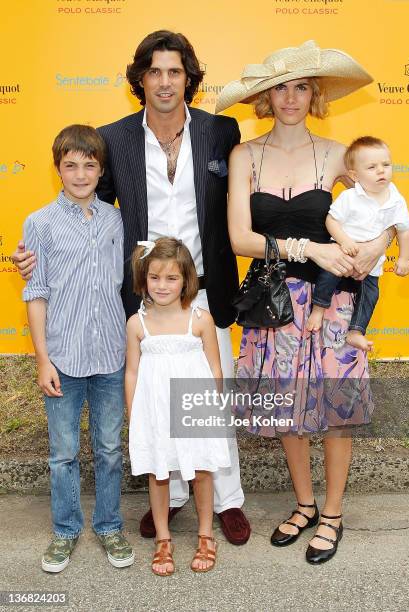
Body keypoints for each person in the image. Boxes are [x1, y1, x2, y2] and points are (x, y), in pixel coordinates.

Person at [13, 30, 250, 545]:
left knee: (209, 398)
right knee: (157, 402)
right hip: (146, 299)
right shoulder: (114, 138)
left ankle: (227, 499)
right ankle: (176, 499)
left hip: (206, 292)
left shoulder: (221, 132)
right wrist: (36, 253)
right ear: (139, 79)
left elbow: (248, 200)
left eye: (175, 72)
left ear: (189, 79)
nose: (165, 82)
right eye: (155, 72)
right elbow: (82, 206)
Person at [218, 40, 395, 564]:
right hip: (271, 304)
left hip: (333, 301)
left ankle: (333, 514)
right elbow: (240, 240)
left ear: (314, 94)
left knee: (335, 409)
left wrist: (374, 248)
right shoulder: (244, 155)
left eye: (300, 87)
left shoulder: (340, 154)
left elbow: (387, 205)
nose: (290, 97)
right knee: (285, 410)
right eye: (279, 88)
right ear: (264, 98)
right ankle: (303, 504)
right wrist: (309, 245)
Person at [22, 125, 134, 573]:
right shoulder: (39, 223)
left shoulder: (116, 219)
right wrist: (42, 359)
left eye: (89, 165)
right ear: (58, 169)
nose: (80, 173)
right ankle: (65, 531)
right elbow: (36, 293)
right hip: (63, 357)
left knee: (109, 448)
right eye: (71, 164)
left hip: (110, 353)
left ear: (101, 170)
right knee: (62, 452)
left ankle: (109, 525)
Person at [126, 237, 231, 575]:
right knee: (159, 473)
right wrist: (133, 414)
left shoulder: (200, 320)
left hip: (193, 406)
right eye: (154, 277)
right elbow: (132, 372)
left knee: (201, 471)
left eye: (171, 278)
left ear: (187, 280)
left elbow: (215, 368)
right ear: (143, 280)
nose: (162, 285)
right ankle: (163, 538)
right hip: (154, 409)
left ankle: (205, 534)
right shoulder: (136, 324)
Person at [307, 136, 409, 351]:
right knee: (328, 276)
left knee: (371, 295)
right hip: (343, 252)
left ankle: (356, 331)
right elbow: (331, 220)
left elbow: (403, 229)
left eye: (386, 165)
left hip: (372, 264)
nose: (381, 171)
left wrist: (404, 258)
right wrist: (344, 241)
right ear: (354, 175)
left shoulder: (396, 198)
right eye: (372, 167)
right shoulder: (350, 196)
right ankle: (318, 309)